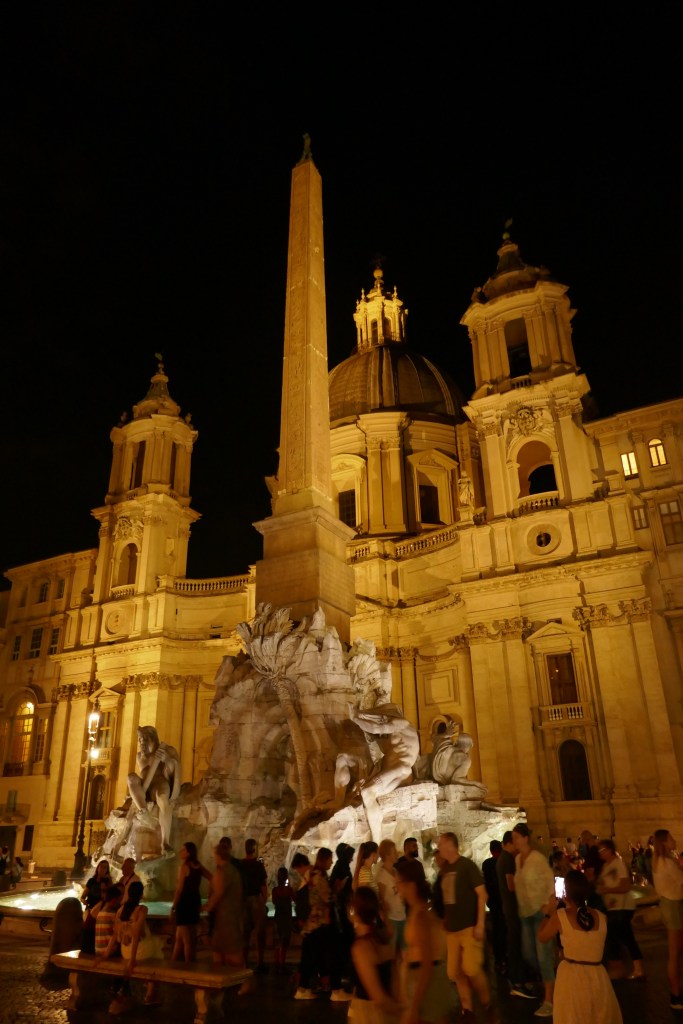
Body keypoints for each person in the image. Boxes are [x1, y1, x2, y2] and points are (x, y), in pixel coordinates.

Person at [538, 868, 623, 1024]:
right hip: (598, 976)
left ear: (565, 892)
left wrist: (549, 913)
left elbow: (542, 937)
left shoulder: (560, 916)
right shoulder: (602, 917)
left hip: (572, 977)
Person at [437, 831, 494, 1022]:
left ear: (450, 845)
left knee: (471, 968)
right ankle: (467, 1008)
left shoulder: (467, 866)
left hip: (469, 927)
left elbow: (482, 894)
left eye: (441, 844)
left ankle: (487, 1002)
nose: (438, 848)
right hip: (452, 929)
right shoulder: (445, 869)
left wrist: (480, 923)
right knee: (454, 972)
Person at [395, 857, 457, 1024]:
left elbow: (427, 963)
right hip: (423, 982)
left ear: (411, 885)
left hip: (428, 985)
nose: (397, 887)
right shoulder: (418, 911)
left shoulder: (421, 916)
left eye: (400, 882)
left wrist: (414, 1006)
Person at [97, 880, 162, 1011]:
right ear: (141, 895)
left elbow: (115, 934)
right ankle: (150, 993)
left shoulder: (121, 910)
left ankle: (147, 989)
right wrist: (132, 960)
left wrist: (106, 953)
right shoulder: (142, 909)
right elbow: (137, 934)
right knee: (157, 948)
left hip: (125, 950)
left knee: (154, 944)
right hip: (137, 951)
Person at [512, 822, 555, 1018]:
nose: (513, 841)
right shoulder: (518, 859)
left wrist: (548, 908)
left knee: (543, 956)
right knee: (529, 954)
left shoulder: (537, 859)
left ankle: (549, 1000)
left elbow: (549, 882)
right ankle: (547, 983)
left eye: (515, 838)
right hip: (525, 914)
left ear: (525, 838)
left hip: (539, 913)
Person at [349, 885, 403, 1023]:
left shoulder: (361, 947)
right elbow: (394, 978)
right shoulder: (383, 939)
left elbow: (378, 997)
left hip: (369, 1013)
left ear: (354, 911)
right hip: (388, 1010)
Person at [126, 725, 181, 854]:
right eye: (140, 739)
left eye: (144, 739)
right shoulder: (139, 756)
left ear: (153, 739)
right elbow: (142, 773)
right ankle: (143, 811)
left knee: (162, 797)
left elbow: (176, 768)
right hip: (144, 784)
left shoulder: (167, 750)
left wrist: (167, 760)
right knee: (131, 778)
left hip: (160, 783)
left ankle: (165, 842)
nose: (141, 743)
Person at [596, 838, 645, 980]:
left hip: (623, 907)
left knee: (621, 937)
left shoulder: (618, 864)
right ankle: (632, 968)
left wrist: (606, 889)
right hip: (614, 908)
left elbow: (625, 887)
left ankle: (625, 968)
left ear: (610, 850)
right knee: (621, 937)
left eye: (602, 850)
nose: (600, 853)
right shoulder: (607, 866)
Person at [496, 830, 533, 1000]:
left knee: (515, 943)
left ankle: (517, 979)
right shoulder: (507, 860)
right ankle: (517, 981)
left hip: (509, 907)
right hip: (513, 908)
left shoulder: (503, 859)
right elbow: (511, 885)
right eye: (516, 840)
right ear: (510, 842)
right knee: (516, 944)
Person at [294, 847, 333, 1000]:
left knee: (311, 956)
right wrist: (336, 891)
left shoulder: (311, 874)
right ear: (324, 859)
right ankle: (303, 988)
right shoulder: (319, 876)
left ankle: (306, 987)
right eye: (330, 859)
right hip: (316, 921)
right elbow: (326, 897)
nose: (331, 862)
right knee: (312, 957)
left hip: (311, 923)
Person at [652, 828, 683, 1010]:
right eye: (671, 838)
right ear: (664, 842)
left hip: (670, 905)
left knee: (676, 953)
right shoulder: (667, 863)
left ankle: (677, 990)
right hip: (673, 907)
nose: (674, 840)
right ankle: (675, 995)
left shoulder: (658, 860)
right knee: (674, 954)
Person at [204, 840, 244, 972]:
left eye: (214, 854)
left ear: (219, 855)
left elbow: (219, 892)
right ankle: (220, 983)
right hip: (223, 918)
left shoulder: (226, 870)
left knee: (232, 953)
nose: (213, 857)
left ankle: (244, 980)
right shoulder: (224, 870)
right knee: (219, 952)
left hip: (227, 917)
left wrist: (208, 907)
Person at [170, 841, 212, 962]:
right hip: (195, 901)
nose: (180, 852)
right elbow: (212, 877)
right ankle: (172, 964)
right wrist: (210, 895)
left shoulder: (184, 867)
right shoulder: (198, 865)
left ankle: (190, 967)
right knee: (180, 938)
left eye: (183, 850)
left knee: (187, 941)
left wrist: (173, 907)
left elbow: (179, 889)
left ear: (188, 853)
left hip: (184, 904)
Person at [329, 843, 355, 1001]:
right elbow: (337, 887)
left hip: (343, 909)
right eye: (350, 854)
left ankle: (344, 975)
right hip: (342, 911)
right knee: (345, 942)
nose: (352, 857)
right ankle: (342, 977)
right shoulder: (341, 868)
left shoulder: (341, 866)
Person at [241, 838, 268, 973]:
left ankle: (245, 963)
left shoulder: (240, 864)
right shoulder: (258, 865)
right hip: (256, 899)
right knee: (259, 932)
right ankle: (260, 961)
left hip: (244, 900)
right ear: (254, 849)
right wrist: (265, 899)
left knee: (245, 933)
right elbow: (263, 885)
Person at [376, 839, 406, 958]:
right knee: (393, 955)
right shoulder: (381, 876)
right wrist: (386, 921)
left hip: (402, 915)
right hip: (392, 919)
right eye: (394, 852)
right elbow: (381, 900)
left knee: (405, 953)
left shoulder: (395, 871)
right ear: (387, 855)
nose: (397, 854)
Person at [482, 839, 506, 976]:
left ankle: (498, 960)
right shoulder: (503, 862)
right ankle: (505, 958)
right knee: (505, 931)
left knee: (497, 932)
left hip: (493, 903)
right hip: (503, 901)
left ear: (491, 851)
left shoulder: (487, 864)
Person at [81, 859, 112, 954]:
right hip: (90, 909)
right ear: (97, 868)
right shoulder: (91, 881)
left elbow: (110, 897)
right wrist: (85, 902)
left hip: (101, 911)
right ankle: (86, 948)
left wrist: (105, 886)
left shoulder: (108, 883)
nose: (103, 869)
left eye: (105, 867)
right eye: (101, 867)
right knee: (88, 928)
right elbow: (82, 897)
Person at [271, 866, 296, 974]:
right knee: (284, 942)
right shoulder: (288, 890)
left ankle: (277, 964)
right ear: (286, 877)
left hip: (277, 917)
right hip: (286, 918)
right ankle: (282, 965)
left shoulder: (274, 890)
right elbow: (295, 899)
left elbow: (274, 902)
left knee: (277, 941)